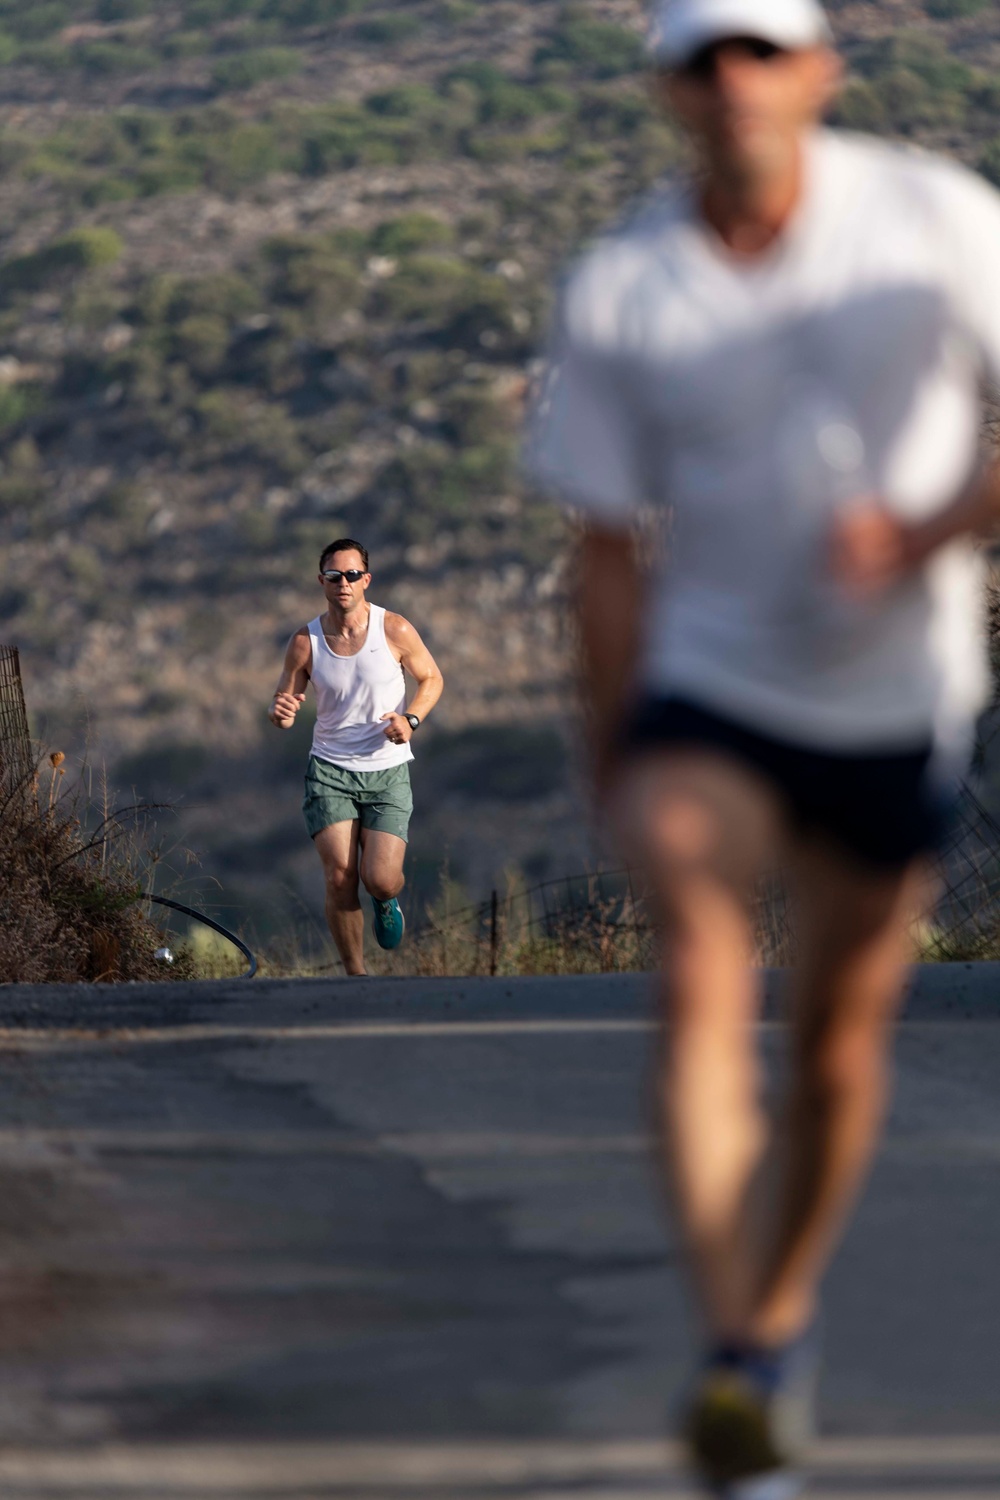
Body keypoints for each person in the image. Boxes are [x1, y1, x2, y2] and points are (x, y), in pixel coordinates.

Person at [528, 0, 1000, 1493]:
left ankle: (773, 1324)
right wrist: (612, 749)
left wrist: (924, 531)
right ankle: (732, 1358)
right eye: (699, 58)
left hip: (892, 695)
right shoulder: (625, 289)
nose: (731, 81)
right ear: (667, 90)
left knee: (842, 1045)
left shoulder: (932, 221)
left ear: (818, 71)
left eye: (758, 51)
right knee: (703, 969)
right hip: (710, 683)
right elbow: (603, 551)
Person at [269, 539, 443, 976]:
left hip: (387, 769)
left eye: (351, 575)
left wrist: (412, 720)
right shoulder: (305, 642)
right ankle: (356, 975)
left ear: (366, 579)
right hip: (329, 771)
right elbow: (285, 705)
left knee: (380, 878)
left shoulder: (395, 629)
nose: (342, 583)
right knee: (340, 877)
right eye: (333, 575)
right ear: (322, 581)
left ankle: (386, 902)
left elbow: (432, 678)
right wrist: (282, 713)